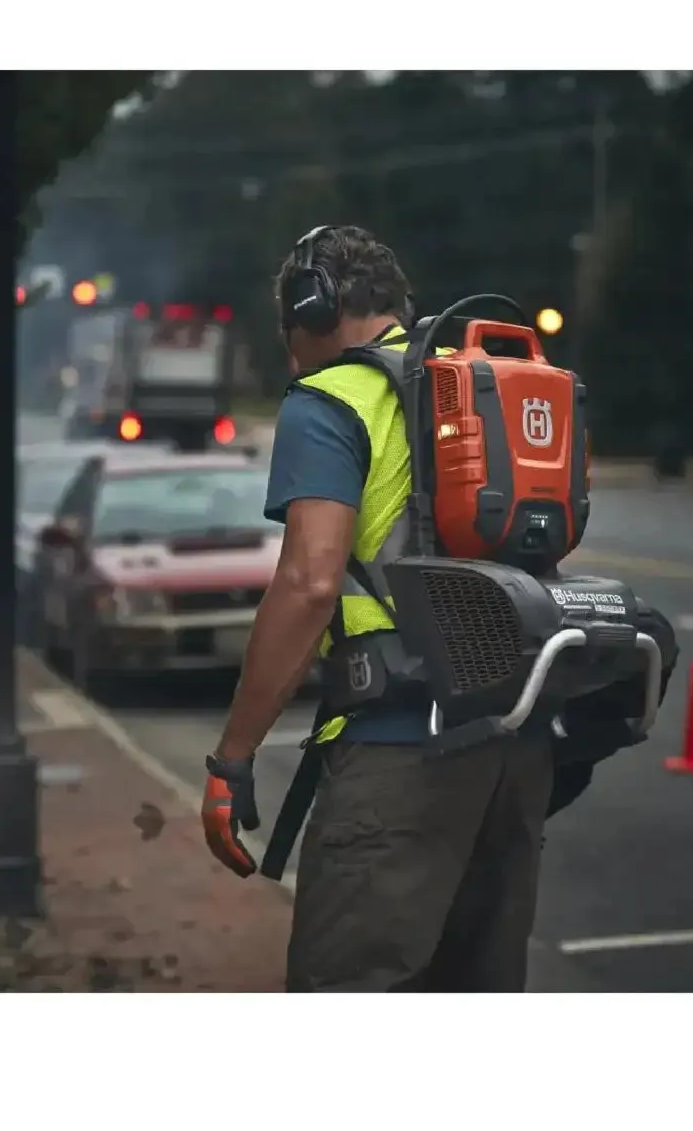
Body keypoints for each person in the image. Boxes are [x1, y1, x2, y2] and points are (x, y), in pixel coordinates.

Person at [200, 225, 663, 992]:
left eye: (290, 328)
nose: (289, 352)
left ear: (312, 309)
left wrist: (233, 757)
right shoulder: (486, 385)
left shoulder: (328, 401)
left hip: (397, 754)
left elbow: (311, 582)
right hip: (514, 749)